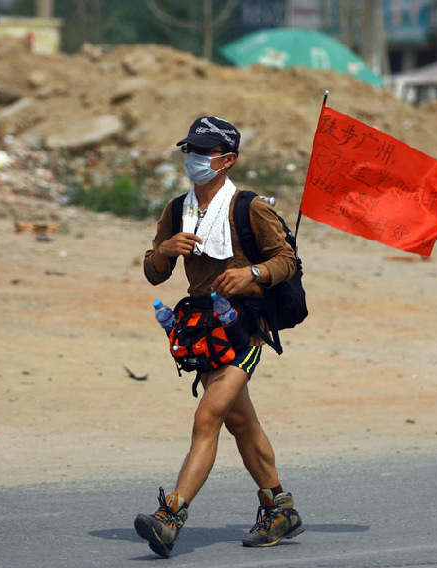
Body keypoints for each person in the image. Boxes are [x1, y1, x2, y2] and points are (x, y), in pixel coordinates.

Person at [135, 116, 304, 558]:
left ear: (226, 160)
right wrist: (164, 251)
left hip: (246, 329)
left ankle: (170, 515)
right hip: (201, 330)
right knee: (240, 421)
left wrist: (253, 272)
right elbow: (155, 274)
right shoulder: (177, 210)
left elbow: (286, 259)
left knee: (208, 416)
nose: (192, 159)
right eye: (189, 150)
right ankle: (279, 507)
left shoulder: (250, 208)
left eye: (203, 152)